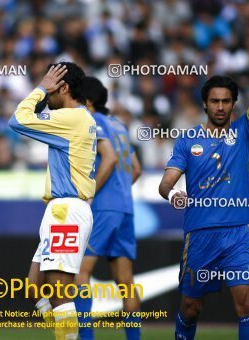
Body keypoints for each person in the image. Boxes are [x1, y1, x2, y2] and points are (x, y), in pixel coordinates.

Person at [158, 36, 249, 340]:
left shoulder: (245, 133)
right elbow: (166, 182)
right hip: (200, 233)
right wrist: (173, 194)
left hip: (237, 232)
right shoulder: (187, 141)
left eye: (226, 101)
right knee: (192, 306)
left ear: (233, 104)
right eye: (215, 101)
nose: (220, 107)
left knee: (246, 302)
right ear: (205, 104)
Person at [8, 62, 96, 340]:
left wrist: (39, 89)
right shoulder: (77, 119)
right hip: (61, 208)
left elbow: (18, 120)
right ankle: (67, 332)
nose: (47, 96)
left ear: (64, 87)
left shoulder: (73, 118)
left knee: (59, 293)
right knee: (35, 287)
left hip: (68, 209)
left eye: (51, 89)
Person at [74, 76, 142, 340]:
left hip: (103, 207)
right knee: (126, 282)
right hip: (126, 207)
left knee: (80, 273)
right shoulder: (120, 125)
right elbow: (135, 169)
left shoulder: (94, 122)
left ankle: (86, 337)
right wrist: (120, 191)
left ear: (88, 102)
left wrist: (92, 193)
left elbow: (109, 160)